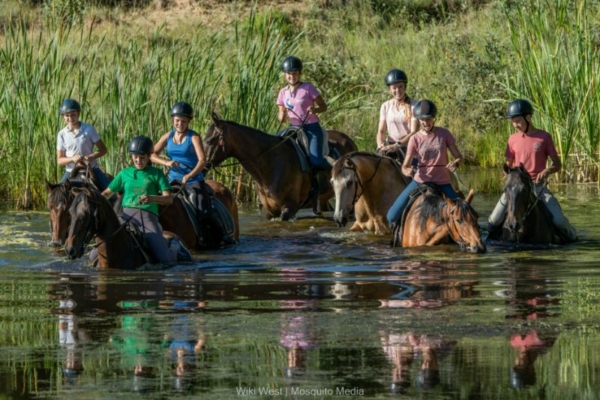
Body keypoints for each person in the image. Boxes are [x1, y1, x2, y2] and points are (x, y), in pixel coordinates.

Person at [487, 99, 577, 242]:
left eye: (517, 121)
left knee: (559, 221)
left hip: (537, 187)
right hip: (516, 188)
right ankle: (490, 242)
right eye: (513, 122)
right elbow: (508, 164)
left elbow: (557, 164)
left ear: (528, 117)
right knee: (493, 221)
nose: (515, 125)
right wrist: (508, 176)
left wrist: (546, 171)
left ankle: (573, 238)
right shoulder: (512, 139)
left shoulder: (544, 137)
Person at [151, 101, 235, 245]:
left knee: (203, 210)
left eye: (184, 121)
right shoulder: (168, 136)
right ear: (173, 120)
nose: (180, 124)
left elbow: (202, 160)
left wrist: (190, 175)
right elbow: (152, 154)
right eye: (177, 120)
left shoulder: (193, 137)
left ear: (188, 122)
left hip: (192, 180)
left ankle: (221, 235)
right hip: (172, 179)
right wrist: (166, 162)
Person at [101, 135, 191, 263]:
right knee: (95, 253)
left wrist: (152, 198)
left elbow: (169, 199)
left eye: (142, 157)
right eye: (135, 157)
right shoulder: (124, 173)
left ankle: (175, 245)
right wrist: (95, 200)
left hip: (148, 218)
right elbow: (107, 193)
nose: (138, 160)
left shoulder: (156, 173)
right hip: (124, 217)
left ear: (149, 157)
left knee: (164, 258)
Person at [386, 99, 464, 230]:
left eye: (428, 119)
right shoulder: (414, 138)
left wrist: (456, 163)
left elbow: (459, 157)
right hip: (421, 180)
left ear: (434, 118)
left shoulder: (444, 134)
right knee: (391, 216)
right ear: (418, 120)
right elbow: (405, 166)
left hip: (443, 181)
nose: (425, 122)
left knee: (462, 212)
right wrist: (408, 171)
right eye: (422, 119)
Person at [277, 56, 331, 170]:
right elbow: (281, 116)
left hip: (311, 128)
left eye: (295, 73)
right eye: (289, 74)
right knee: (274, 144)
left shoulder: (308, 88)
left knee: (316, 161)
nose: (292, 76)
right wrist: (282, 115)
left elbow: (323, 107)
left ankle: (335, 171)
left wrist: (315, 110)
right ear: (285, 75)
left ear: (300, 73)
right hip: (293, 128)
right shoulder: (283, 92)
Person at [56, 98, 111, 190]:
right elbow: (59, 160)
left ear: (78, 113)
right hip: (70, 170)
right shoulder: (61, 134)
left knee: (112, 192)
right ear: (63, 116)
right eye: (67, 115)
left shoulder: (89, 129)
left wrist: (91, 157)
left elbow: (103, 149)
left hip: (91, 168)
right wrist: (72, 159)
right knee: (57, 193)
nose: (70, 118)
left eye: (73, 114)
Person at [376, 69, 418, 163]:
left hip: (407, 147)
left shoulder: (414, 106)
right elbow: (381, 131)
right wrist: (380, 145)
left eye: (400, 87)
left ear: (405, 87)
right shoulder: (385, 106)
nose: (397, 90)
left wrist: (397, 145)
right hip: (389, 146)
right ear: (390, 89)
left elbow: (414, 132)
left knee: (414, 174)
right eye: (394, 88)